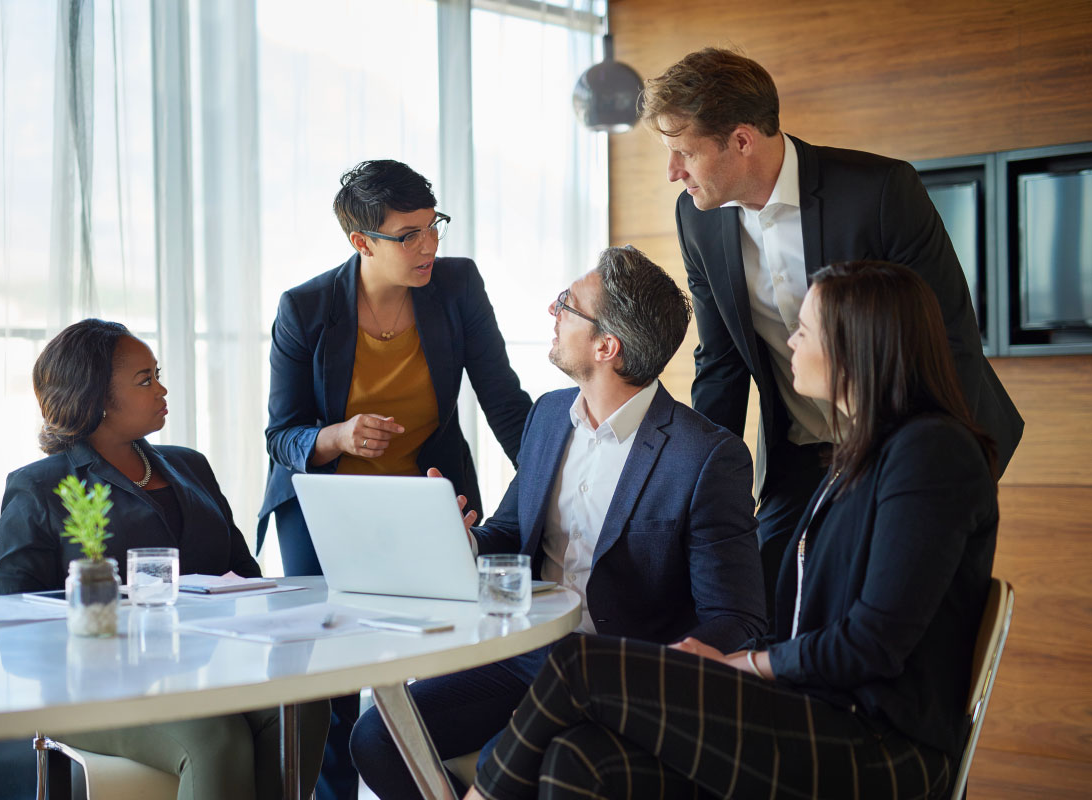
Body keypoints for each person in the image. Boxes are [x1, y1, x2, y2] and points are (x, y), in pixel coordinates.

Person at [465, 260, 999, 800]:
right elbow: (801, 621)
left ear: (859, 345)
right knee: (575, 760)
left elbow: (871, 645)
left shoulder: (932, 453)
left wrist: (739, 663)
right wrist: (725, 665)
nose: (790, 341)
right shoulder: (857, 455)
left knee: (577, 665)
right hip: (811, 709)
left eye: (805, 329)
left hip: (878, 744)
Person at [351, 245, 767, 799]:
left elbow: (734, 617)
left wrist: (653, 675)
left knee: (515, 761)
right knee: (378, 737)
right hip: (522, 657)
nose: (553, 312)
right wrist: (460, 540)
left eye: (566, 305)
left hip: (613, 677)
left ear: (606, 345)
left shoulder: (705, 456)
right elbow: (507, 533)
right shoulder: (549, 415)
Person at [645, 47, 1022, 607]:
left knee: (881, 624)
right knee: (761, 606)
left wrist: (947, 471)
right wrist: (698, 488)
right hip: (797, 455)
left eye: (684, 153)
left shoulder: (879, 192)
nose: (673, 172)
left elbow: (949, 338)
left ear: (742, 140)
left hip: (906, 449)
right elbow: (721, 363)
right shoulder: (696, 218)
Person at [261, 159, 533, 799]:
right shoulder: (305, 309)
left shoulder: (457, 286)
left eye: (432, 225)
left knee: (451, 646)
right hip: (327, 504)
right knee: (329, 675)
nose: (429, 245)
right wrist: (338, 436)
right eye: (407, 235)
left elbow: (502, 398)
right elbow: (282, 434)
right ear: (361, 242)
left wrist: (555, 477)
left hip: (425, 492)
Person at [0, 318, 328, 800]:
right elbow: (15, 621)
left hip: (209, 670)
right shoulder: (39, 487)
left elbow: (245, 576)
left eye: (158, 374)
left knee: (302, 703)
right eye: (145, 380)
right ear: (98, 399)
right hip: (95, 689)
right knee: (216, 737)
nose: (162, 388)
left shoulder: (190, 465)